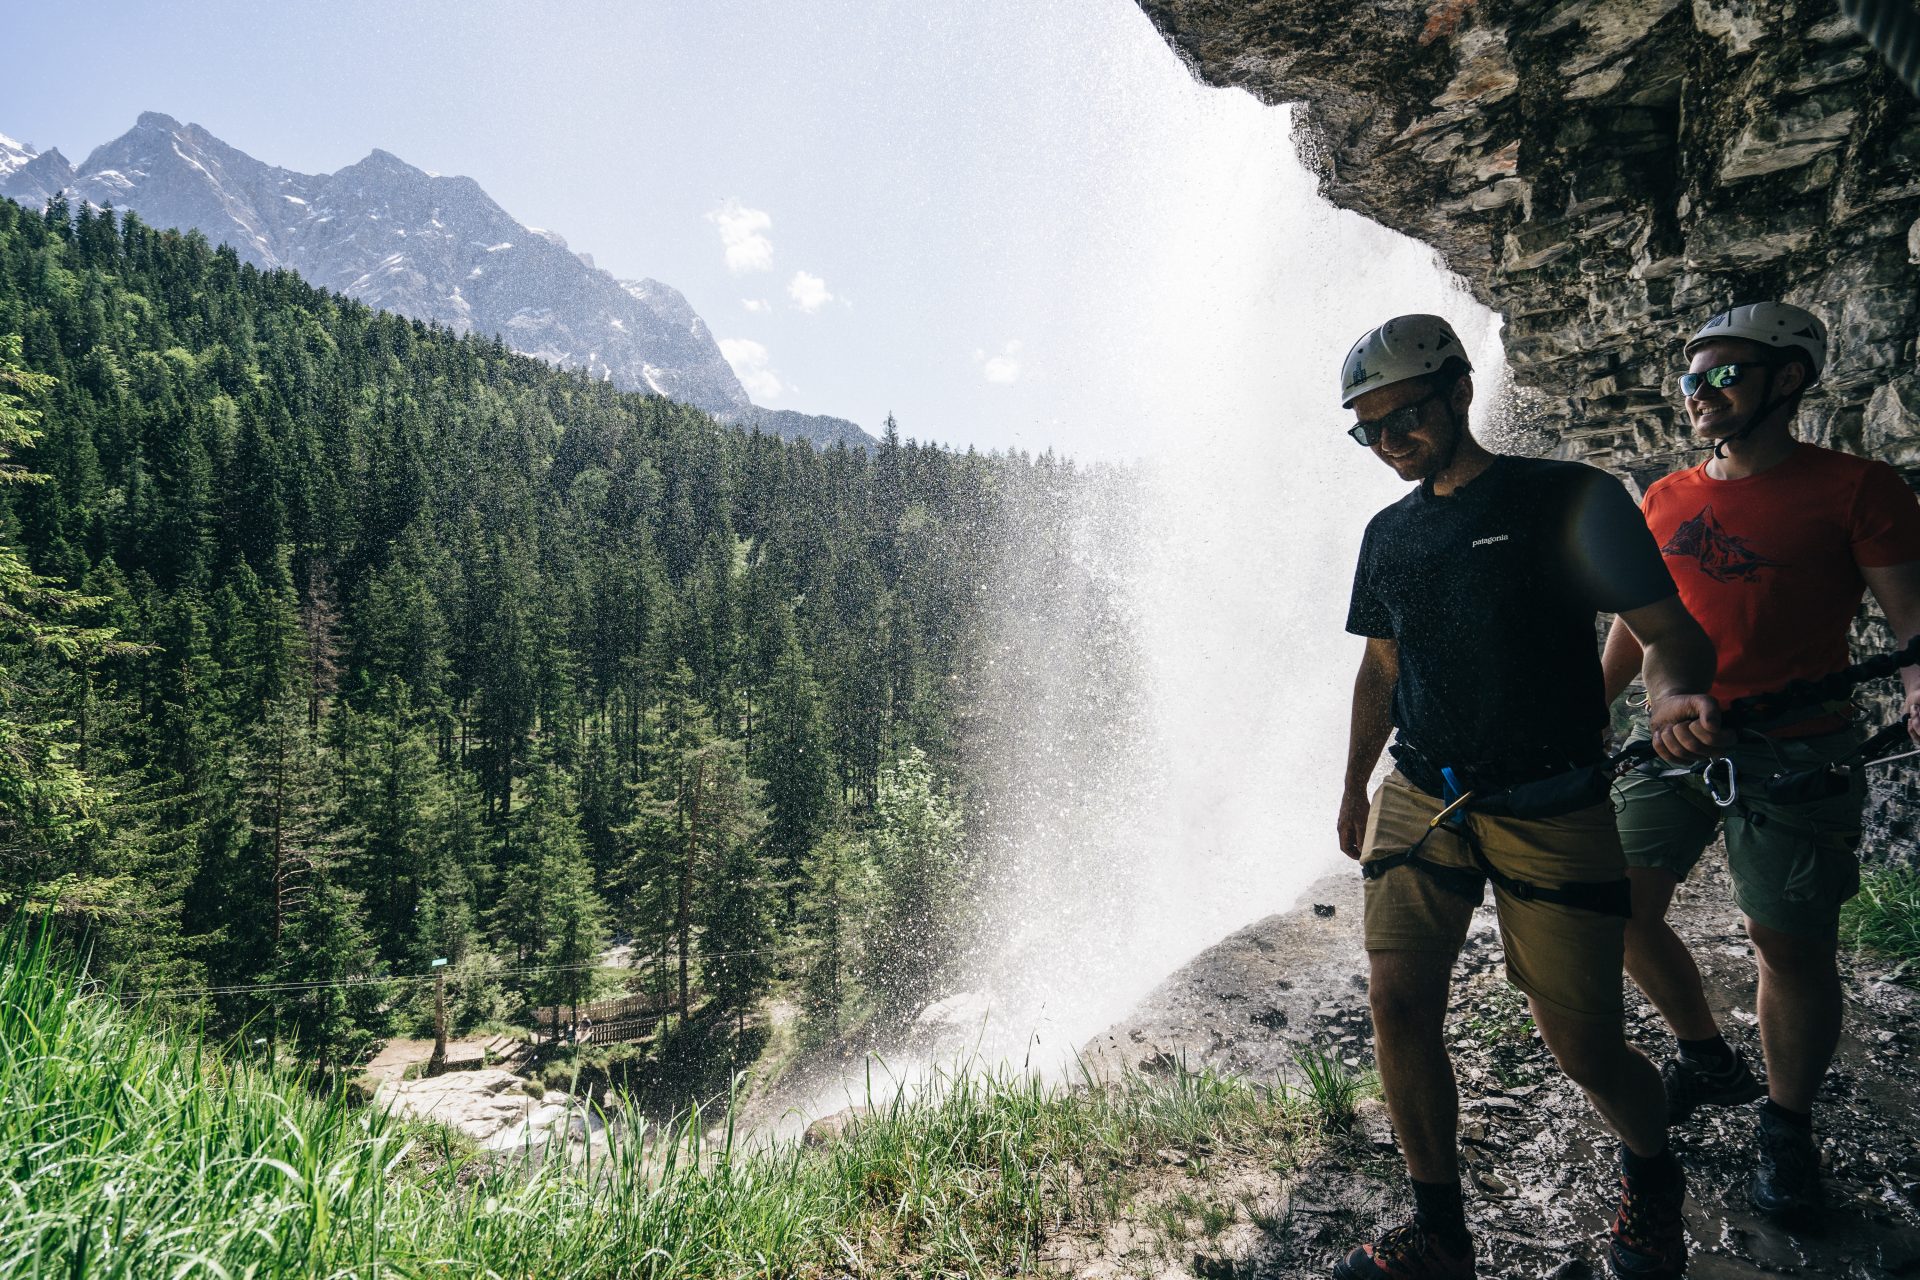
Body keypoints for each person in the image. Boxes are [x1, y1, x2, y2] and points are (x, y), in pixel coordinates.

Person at [1334, 314, 1723, 1280]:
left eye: (1404, 418)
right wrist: (1352, 783)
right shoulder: (1389, 534)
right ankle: (1440, 1233)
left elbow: (1671, 634)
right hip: (1422, 794)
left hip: (1551, 804)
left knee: (1582, 1042)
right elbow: (1383, 668)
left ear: (1462, 392)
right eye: (1368, 430)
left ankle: (1651, 1168)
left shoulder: (1569, 498)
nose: (1389, 444)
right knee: (1396, 999)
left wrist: (1674, 695)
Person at [1601, 301, 1920, 1219]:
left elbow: (1912, 622)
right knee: (1615, 906)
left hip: (1795, 745)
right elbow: (1637, 624)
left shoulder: (1859, 489)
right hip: (1673, 740)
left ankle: (1786, 1124)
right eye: (1690, 377)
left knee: (1787, 942)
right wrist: (1588, 715)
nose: (1699, 392)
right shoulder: (1664, 498)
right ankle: (1706, 1053)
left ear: (1789, 380)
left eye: (1724, 373)